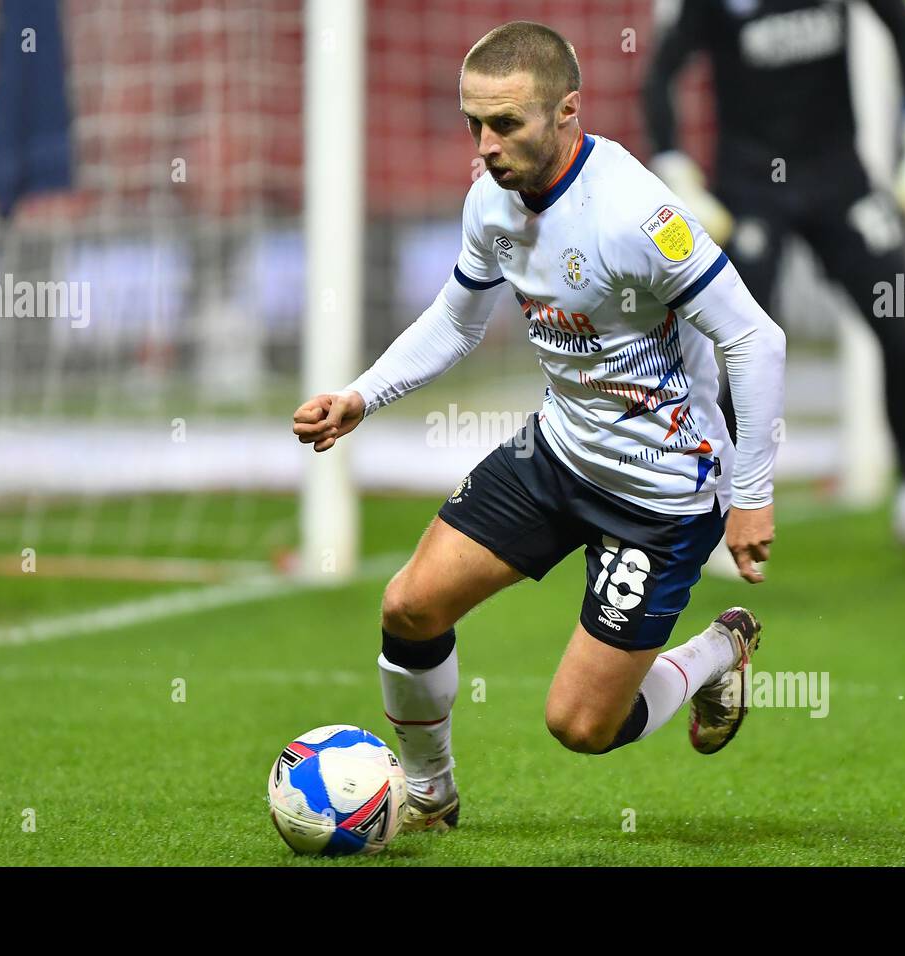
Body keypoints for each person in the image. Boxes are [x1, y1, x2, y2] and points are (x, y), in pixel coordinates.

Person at [293, 21, 786, 831]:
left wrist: (752, 496)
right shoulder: (491, 197)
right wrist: (361, 396)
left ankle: (717, 652)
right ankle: (430, 794)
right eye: (472, 124)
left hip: (660, 494)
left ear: (568, 113)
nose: (484, 146)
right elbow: (456, 323)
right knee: (410, 607)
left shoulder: (636, 215)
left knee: (582, 728)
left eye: (506, 124)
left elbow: (754, 338)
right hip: (555, 452)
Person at [643, 0, 905, 580]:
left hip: (838, 181)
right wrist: (676, 169)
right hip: (752, 187)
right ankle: (715, 514)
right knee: (744, 348)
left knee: (897, 322)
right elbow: (660, 74)